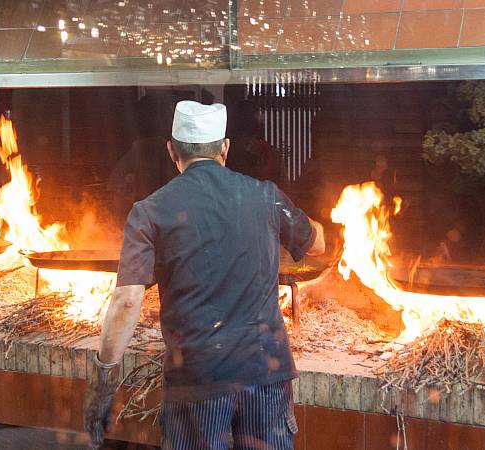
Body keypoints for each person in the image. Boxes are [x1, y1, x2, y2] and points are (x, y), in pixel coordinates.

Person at [83, 101, 325, 450]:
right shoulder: (266, 197)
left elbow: (125, 301)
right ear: (224, 147)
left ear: (172, 150)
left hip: (197, 380)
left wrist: (104, 380)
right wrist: (318, 227)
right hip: (265, 373)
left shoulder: (150, 211)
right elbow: (316, 242)